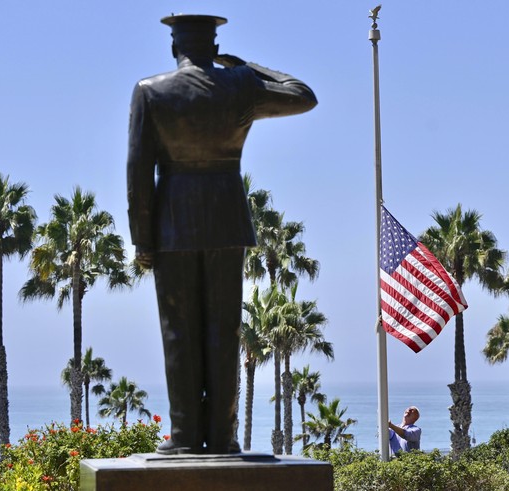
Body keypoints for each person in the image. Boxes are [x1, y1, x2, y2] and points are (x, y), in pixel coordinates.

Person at [126, 13, 317, 455]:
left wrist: (142, 238)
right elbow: (304, 96)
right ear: (214, 48)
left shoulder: (150, 91)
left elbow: (138, 170)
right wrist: (247, 67)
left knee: (179, 333)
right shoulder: (240, 85)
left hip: (172, 220)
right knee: (223, 331)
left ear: (174, 48)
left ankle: (185, 437)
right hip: (227, 216)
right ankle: (224, 437)